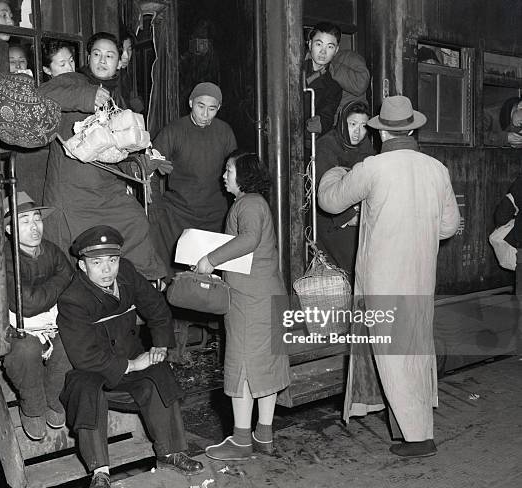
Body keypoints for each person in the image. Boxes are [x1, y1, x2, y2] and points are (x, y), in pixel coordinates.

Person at [318, 96, 460, 458]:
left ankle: (417, 437)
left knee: (392, 355)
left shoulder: (372, 167)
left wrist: (334, 173)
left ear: (381, 133)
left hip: (383, 277)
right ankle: (412, 427)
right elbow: (448, 227)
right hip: (420, 274)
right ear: (412, 128)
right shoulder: (436, 168)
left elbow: (330, 202)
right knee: (414, 348)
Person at [56, 226, 204, 488]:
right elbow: (84, 358)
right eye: (97, 263)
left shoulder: (126, 274)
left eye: (112, 261)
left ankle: (171, 453)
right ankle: (100, 472)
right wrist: (134, 364)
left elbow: (157, 307)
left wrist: (160, 345)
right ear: (82, 265)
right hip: (92, 371)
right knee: (87, 390)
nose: (107, 270)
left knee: (159, 374)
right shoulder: (73, 299)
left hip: (127, 365)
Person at [38, 32, 167, 280]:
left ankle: (138, 287)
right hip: (73, 190)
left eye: (109, 56)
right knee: (81, 246)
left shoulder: (118, 96)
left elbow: (116, 150)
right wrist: (85, 97)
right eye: (96, 54)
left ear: (120, 61)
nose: (102, 61)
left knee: (136, 221)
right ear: (88, 58)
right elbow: (39, 97)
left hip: (107, 188)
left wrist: (142, 164)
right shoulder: (73, 81)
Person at [196, 151, 290, 461]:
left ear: (244, 176)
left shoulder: (247, 203)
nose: (224, 176)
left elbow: (248, 239)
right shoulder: (258, 203)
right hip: (268, 294)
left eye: (229, 170)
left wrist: (211, 259)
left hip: (251, 300)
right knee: (267, 366)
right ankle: (263, 435)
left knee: (244, 367)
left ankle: (240, 440)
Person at [2, 192, 73, 440]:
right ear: (10, 229)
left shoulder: (51, 250)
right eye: (24, 221)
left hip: (51, 321)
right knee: (24, 351)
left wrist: (44, 293)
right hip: (17, 325)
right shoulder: (6, 258)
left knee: (75, 339)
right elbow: (27, 305)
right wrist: (57, 286)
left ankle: (52, 396)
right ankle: (32, 406)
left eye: (37, 219)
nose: (34, 227)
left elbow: (71, 279)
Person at [150, 81, 237, 278]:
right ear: (190, 103)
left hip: (216, 212)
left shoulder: (224, 132)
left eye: (212, 109)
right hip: (179, 212)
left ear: (219, 108)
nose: (205, 115)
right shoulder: (173, 131)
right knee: (178, 273)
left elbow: (236, 173)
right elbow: (149, 167)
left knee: (212, 275)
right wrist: (154, 204)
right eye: (200, 106)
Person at [315, 100, 375, 277]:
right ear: (342, 123)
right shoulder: (326, 146)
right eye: (353, 124)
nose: (358, 132)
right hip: (331, 217)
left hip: (358, 214)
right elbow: (324, 189)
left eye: (364, 126)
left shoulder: (366, 148)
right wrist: (349, 218)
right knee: (352, 258)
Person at [304, 22, 343, 140]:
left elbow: (327, 116)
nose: (323, 51)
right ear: (310, 44)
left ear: (336, 50)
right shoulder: (290, 68)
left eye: (330, 46)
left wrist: (320, 124)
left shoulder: (334, 88)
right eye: (319, 44)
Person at [118, 29, 144, 113]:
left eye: (129, 49)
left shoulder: (124, 75)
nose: (126, 56)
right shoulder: (105, 76)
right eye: (122, 49)